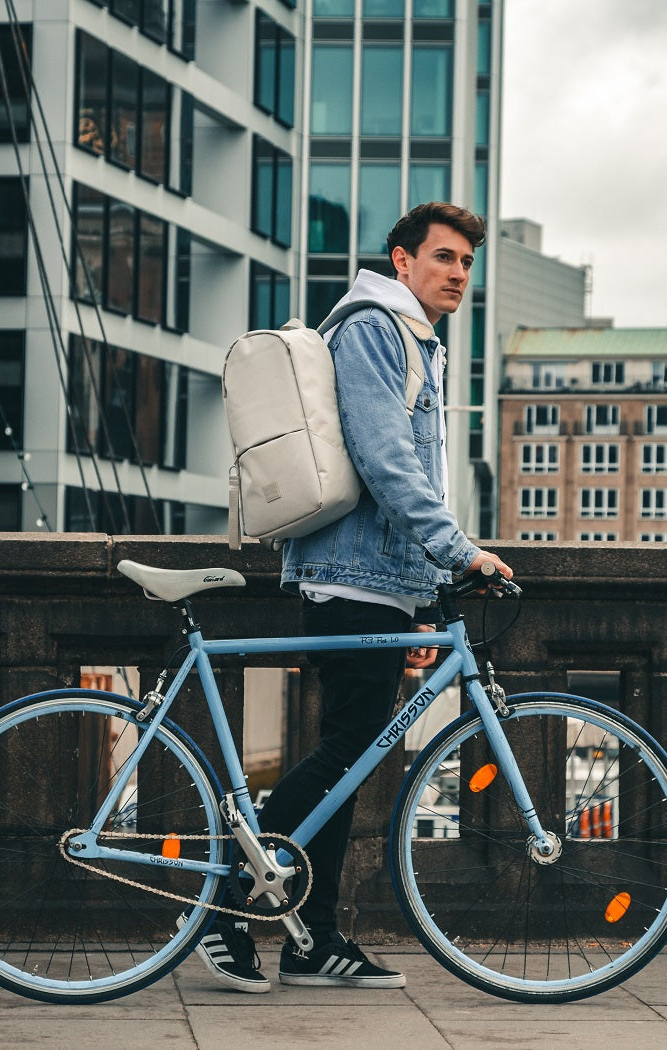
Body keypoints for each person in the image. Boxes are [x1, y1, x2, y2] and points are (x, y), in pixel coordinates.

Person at [190, 202, 514, 993]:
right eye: (444, 257)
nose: (458, 274)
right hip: (352, 576)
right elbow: (385, 457)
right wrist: (459, 551)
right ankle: (222, 911)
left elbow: (406, 469)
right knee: (343, 754)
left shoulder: (412, 337)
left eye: (467, 263)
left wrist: (426, 593)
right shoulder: (374, 328)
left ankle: (313, 941)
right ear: (402, 261)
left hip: (381, 579)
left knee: (348, 762)